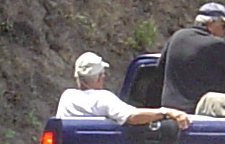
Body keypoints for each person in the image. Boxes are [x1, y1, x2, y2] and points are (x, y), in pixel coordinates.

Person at [57, 52, 189, 126]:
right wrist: (165, 112)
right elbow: (132, 117)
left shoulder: (67, 97)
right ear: (99, 78)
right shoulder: (103, 98)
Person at [160, 1, 225, 110]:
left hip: (169, 110)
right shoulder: (216, 45)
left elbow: (160, 69)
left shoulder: (177, 36)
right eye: (224, 26)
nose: (224, 32)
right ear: (210, 23)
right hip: (200, 111)